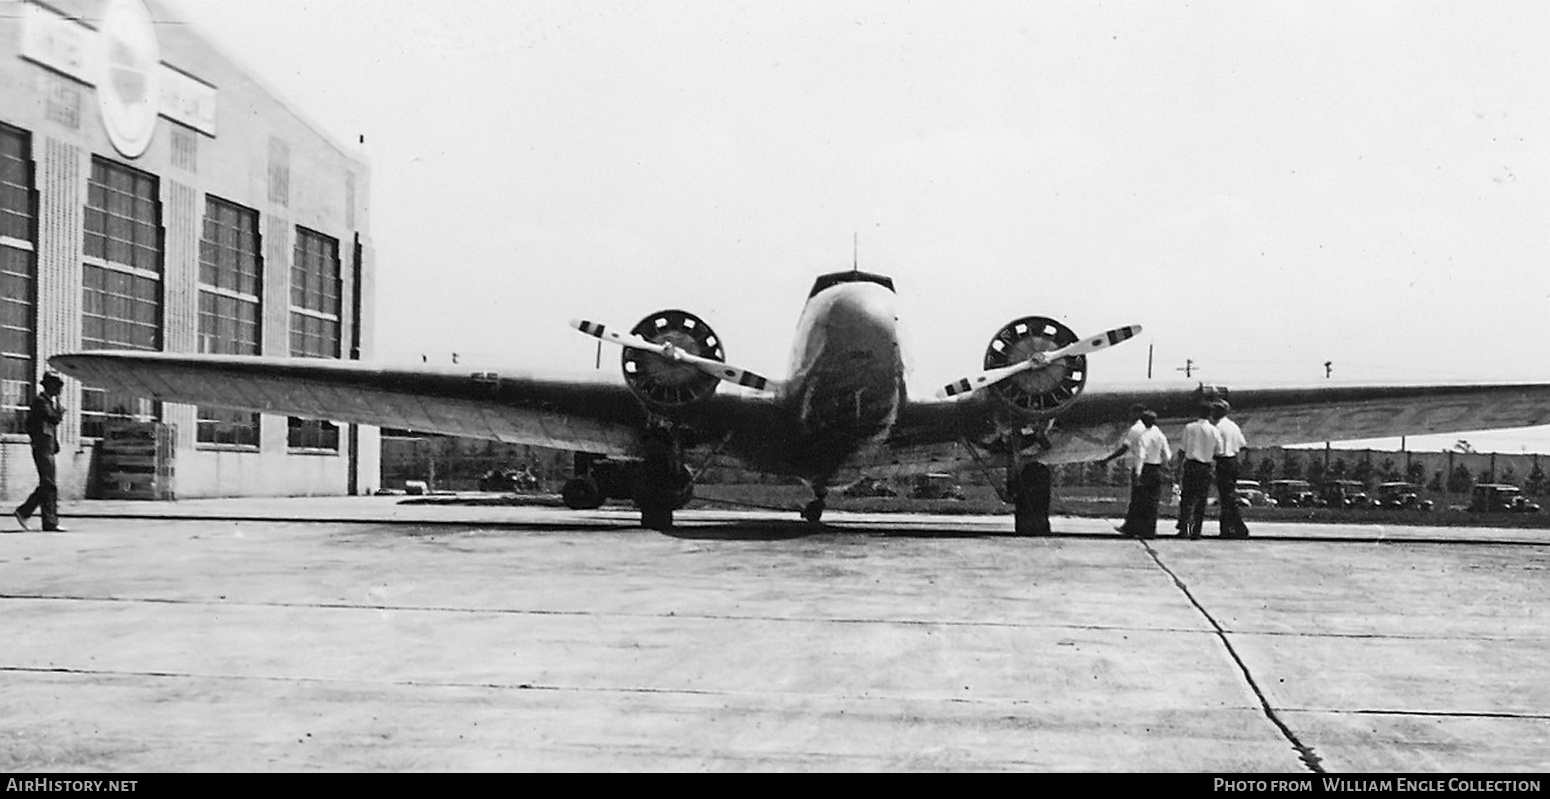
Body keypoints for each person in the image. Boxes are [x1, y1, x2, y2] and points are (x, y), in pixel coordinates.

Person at [15, 372, 66, 532]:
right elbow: (52, 419)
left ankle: (47, 521)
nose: (59, 389)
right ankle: (26, 511)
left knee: (48, 484)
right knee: (49, 483)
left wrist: (53, 443)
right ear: (48, 385)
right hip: (42, 448)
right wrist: (60, 411)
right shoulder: (41, 402)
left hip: (47, 447)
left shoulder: (48, 402)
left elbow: (48, 426)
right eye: (56, 385)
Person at [1116, 410, 1170, 538]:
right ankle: (1149, 530)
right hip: (1156, 469)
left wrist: (1138, 473)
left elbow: (1140, 455)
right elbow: (1167, 454)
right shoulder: (1159, 434)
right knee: (1152, 502)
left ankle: (1133, 528)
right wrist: (1165, 466)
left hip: (1145, 469)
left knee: (1138, 500)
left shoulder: (1141, 435)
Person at [1175, 404, 1221, 539]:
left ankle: (1184, 529)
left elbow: (1182, 449)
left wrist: (1178, 468)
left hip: (1191, 465)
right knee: (1201, 500)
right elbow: (1219, 450)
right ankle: (1196, 531)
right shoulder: (1214, 430)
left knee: (1187, 499)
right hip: (1205, 467)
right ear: (1211, 414)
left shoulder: (1189, 428)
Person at [1100, 404, 1148, 533]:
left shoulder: (1136, 429)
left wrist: (1108, 459)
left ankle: (1130, 527)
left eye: (1132, 413)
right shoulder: (1149, 429)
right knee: (1142, 499)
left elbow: (1124, 448)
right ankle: (1140, 527)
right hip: (1148, 466)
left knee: (1136, 498)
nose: (1130, 416)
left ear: (1137, 414)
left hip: (1138, 466)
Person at [1211, 399, 1250, 538]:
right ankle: (1227, 528)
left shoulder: (1218, 428)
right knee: (1227, 497)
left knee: (1226, 498)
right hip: (1233, 461)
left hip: (1223, 461)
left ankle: (1239, 527)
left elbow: (1216, 449)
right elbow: (1242, 444)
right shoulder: (1233, 426)